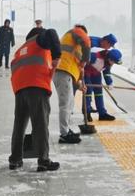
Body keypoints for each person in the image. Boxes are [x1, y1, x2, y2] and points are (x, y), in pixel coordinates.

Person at [8, 29, 62, 172]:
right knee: (40, 124)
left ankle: (15, 160)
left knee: (19, 125)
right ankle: (43, 161)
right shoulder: (39, 40)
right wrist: (57, 56)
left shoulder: (20, 50)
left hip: (20, 89)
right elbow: (51, 32)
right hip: (36, 87)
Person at [54, 24, 92, 144]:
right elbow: (86, 42)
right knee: (65, 104)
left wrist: (80, 83)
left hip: (66, 73)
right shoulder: (77, 31)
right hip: (63, 71)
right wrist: (85, 60)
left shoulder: (74, 44)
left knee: (69, 103)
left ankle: (66, 130)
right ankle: (64, 134)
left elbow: (78, 67)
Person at [85, 48, 122, 121]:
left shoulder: (108, 61)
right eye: (113, 62)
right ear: (110, 59)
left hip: (96, 74)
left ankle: (102, 114)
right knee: (88, 93)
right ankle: (87, 114)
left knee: (99, 93)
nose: (113, 64)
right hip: (86, 74)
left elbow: (106, 72)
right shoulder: (94, 56)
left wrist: (109, 83)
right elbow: (83, 64)